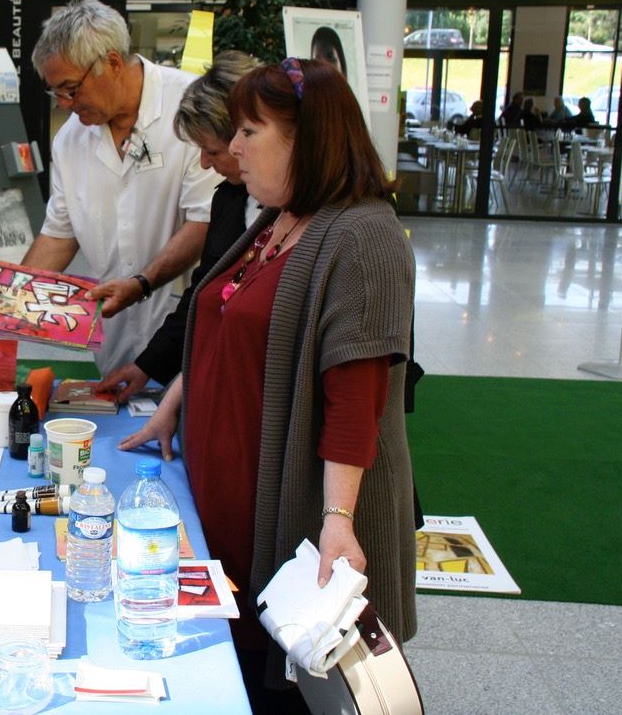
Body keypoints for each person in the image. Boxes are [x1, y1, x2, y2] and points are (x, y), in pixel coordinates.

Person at [120, 58, 417, 712]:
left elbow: (354, 395)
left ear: (307, 138)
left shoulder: (363, 234)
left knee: (296, 691)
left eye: (250, 131)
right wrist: (178, 399)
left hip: (303, 525)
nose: (233, 149)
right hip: (234, 509)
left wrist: (338, 519)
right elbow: (229, 325)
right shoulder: (279, 219)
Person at [21, 0, 217, 373]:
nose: (63, 103)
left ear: (111, 63)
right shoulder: (70, 140)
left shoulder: (191, 106)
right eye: (55, 92)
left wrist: (141, 283)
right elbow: (59, 234)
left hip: (184, 335)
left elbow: (205, 221)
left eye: (71, 89)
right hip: (112, 344)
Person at [96, 51, 261, 403]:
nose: (205, 163)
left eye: (212, 151)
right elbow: (205, 293)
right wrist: (148, 365)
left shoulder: (329, 220)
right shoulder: (231, 198)